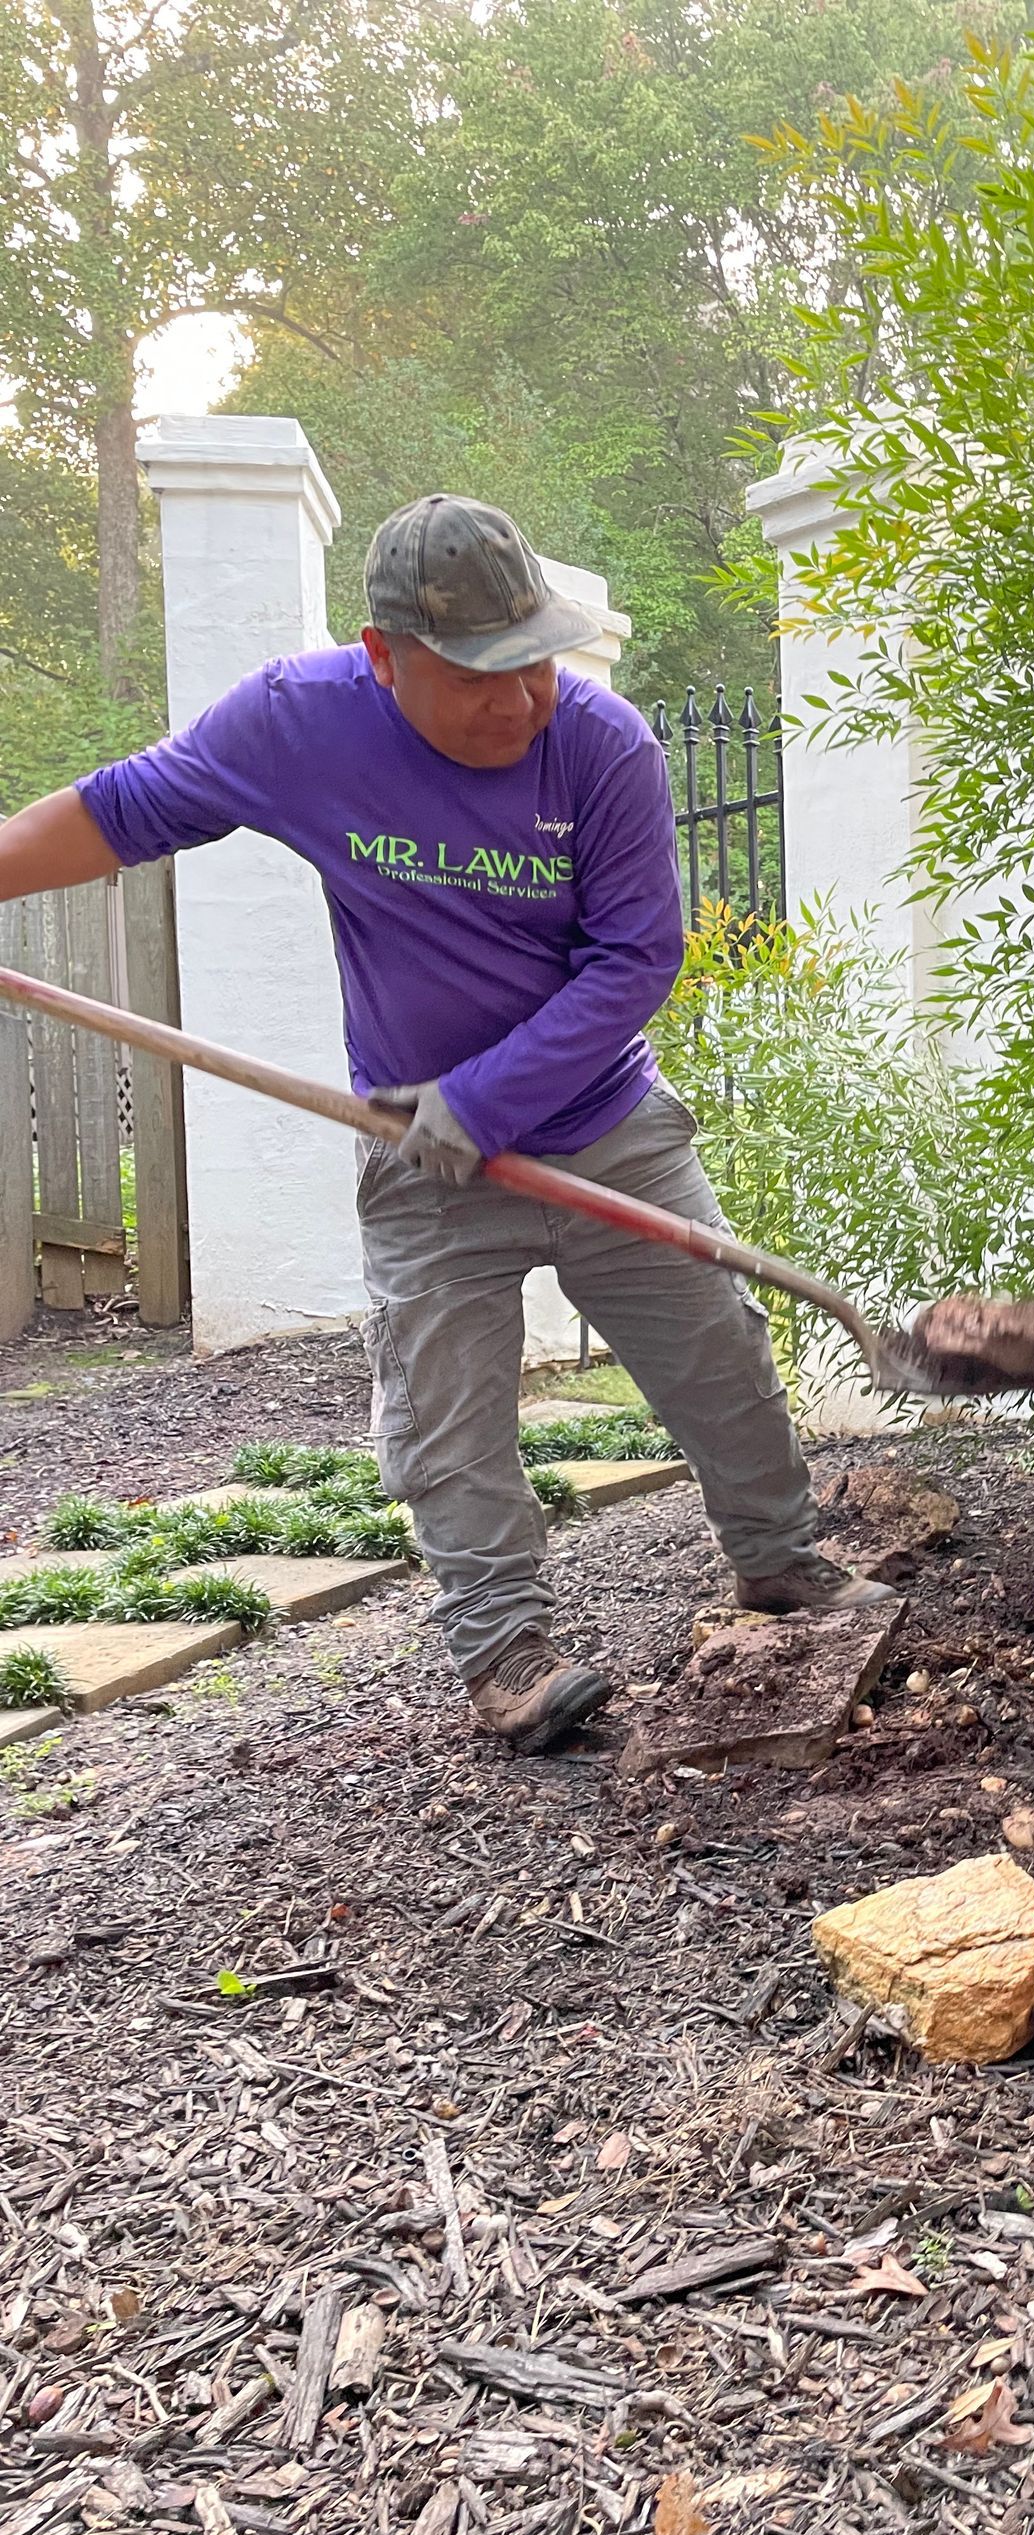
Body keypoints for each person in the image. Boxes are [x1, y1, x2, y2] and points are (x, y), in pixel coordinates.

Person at [0, 494, 894, 1751]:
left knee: (719, 1354)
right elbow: (117, 812)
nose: (521, 700)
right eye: (482, 674)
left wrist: (485, 1100)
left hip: (602, 1122)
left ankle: (780, 1558)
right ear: (384, 657)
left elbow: (636, 959)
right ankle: (507, 1651)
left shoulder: (603, 744)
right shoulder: (296, 724)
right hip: (419, 1150)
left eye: (535, 660)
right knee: (445, 1408)